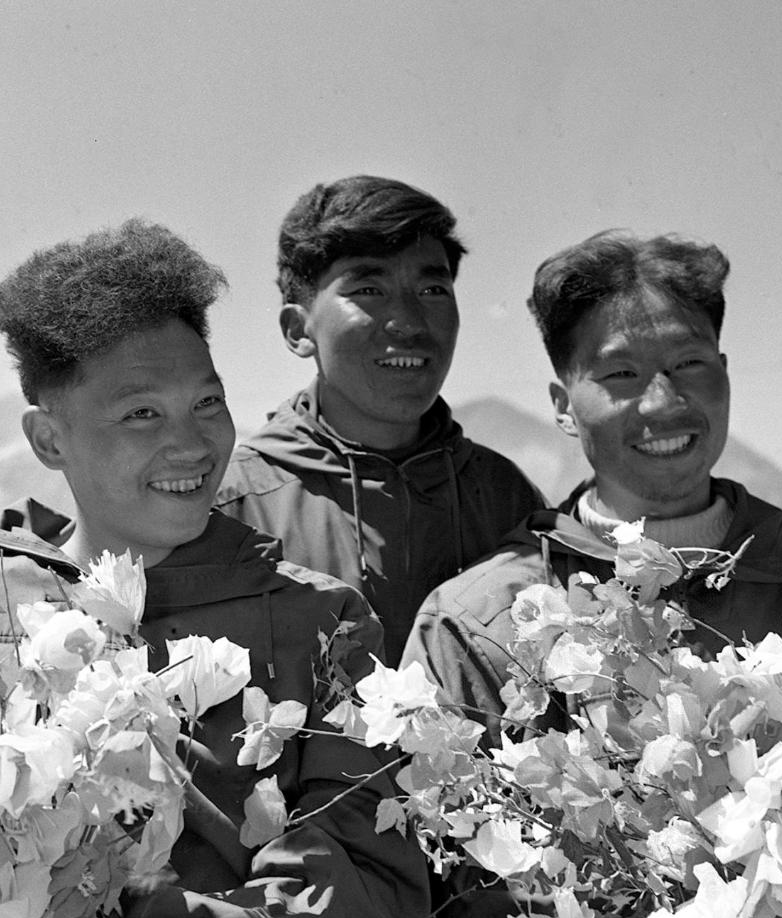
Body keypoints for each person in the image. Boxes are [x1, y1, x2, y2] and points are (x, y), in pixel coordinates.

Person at [0, 219, 430, 918]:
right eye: (141, 415)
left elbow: (369, 876)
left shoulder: (321, 621)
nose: (191, 444)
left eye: (207, 403)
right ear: (48, 438)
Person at [403, 229, 782, 751]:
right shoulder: (481, 623)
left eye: (689, 364)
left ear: (725, 373)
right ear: (563, 406)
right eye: (622, 373)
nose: (663, 402)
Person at [213, 175, 544, 662]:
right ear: (298, 329)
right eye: (369, 289)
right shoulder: (232, 508)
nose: (408, 322)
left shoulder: (504, 497)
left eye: (432, 289)